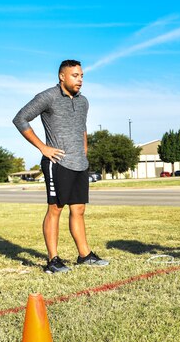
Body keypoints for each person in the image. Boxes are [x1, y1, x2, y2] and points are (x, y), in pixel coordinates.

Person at [13, 60, 109, 274]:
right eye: (75, 75)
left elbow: (82, 127)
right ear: (62, 76)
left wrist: (84, 151)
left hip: (79, 163)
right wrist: (43, 148)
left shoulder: (83, 101)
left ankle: (85, 256)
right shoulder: (48, 97)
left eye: (82, 75)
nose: (80, 80)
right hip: (57, 162)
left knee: (79, 209)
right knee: (55, 209)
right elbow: (20, 119)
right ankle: (53, 260)